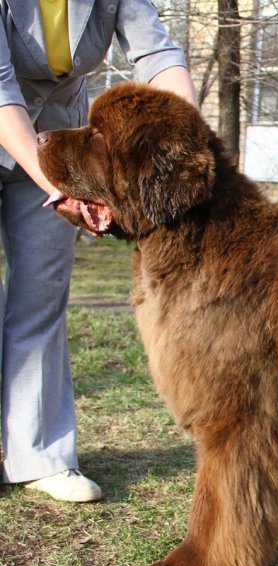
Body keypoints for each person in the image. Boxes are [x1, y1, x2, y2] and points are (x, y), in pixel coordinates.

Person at [0, 1, 197, 502]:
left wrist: (193, 139)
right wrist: (60, 184)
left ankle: (40, 455)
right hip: (15, 126)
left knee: (42, 297)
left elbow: (158, 54)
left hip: (59, 137)